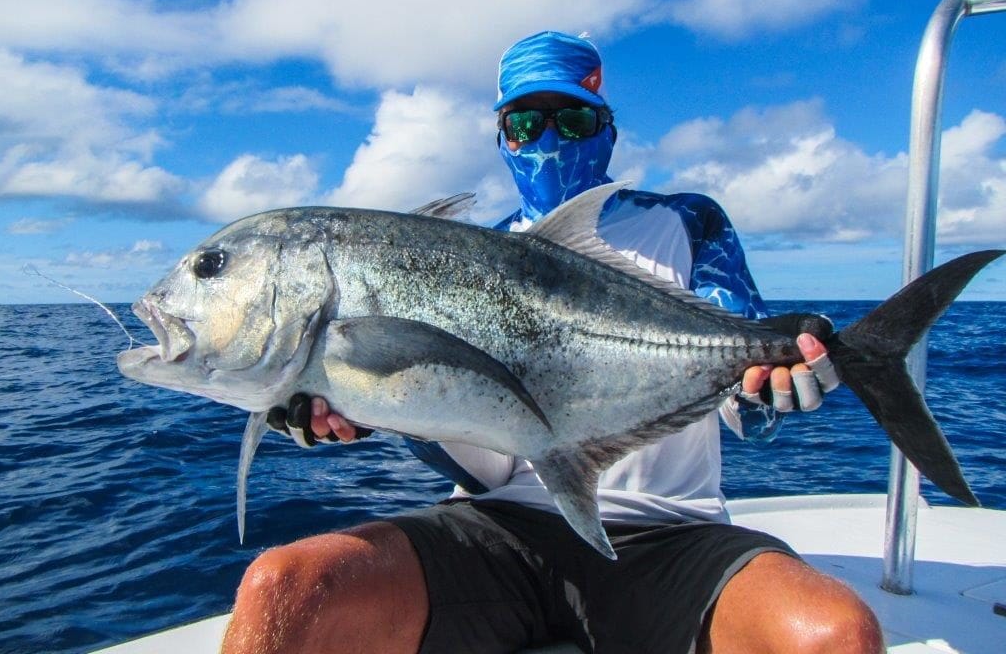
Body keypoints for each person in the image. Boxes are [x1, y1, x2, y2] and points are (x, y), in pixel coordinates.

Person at [220, 32, 883, 654]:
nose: (547, 138)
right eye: (525, 122)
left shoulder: (686, 223)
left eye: (571, 120)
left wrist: (782, 375)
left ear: (607, 129)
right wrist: (354, 405)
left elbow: (749, 409)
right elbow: (481, 461)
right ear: (502, 136)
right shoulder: (465, 258)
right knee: (280, 590)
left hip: (672, 534)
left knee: (837, 636)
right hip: (501, 530)